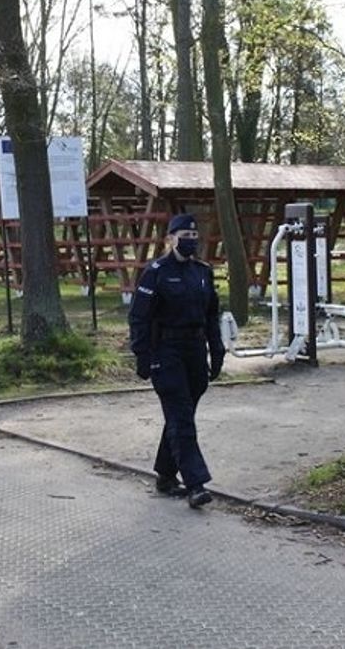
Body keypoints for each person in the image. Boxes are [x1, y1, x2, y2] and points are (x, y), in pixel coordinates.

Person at [128, 213, 225, 509]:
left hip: (194, 351)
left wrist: (217, 350)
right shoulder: (156, 272)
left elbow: (211, 315)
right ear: (170, 238)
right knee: (181, 416)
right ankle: (196, 484)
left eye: (194, 237)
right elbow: (138, 318)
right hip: (166, 352)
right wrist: (143, 356)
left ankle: (166, 475)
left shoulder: (202, 272)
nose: (190, 241)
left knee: (180, 416)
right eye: (184, 236)